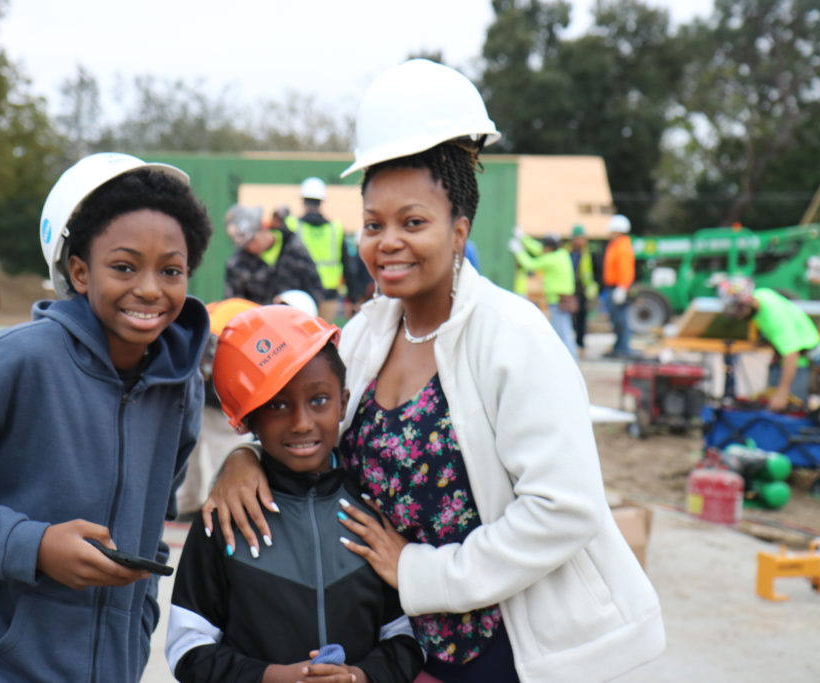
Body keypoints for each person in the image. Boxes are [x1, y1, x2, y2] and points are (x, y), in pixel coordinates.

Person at [203, 59, 664, 683]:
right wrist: (246, 458)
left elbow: (564, 509)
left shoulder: (512, 335)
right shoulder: (366, 333)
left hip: (506, 649)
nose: (386, 241)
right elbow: (309, 426)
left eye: (413, 222)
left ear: (459, 231)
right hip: (400, 647)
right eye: (373, 224)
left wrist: (422, 573)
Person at [0, 152, 213, 682]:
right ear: (78, 271)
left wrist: (134, 631)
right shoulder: (15, 362)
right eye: (123, 266)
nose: (150, 288)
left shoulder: (179, 387)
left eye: (171, 270)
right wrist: (33, 546)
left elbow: (151, 525)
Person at [167, 305, 423, 683]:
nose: (301, 423)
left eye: (318, 400)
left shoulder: (372, 511)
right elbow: (187, 647)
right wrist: (269, 677)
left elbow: (407, 637)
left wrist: (361, 677)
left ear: (343, 403)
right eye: (277, 405)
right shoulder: (222, 520)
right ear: (249, 418)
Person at [175, 297, 260, 518]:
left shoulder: (224, 310)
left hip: (198, 388)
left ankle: (188, 504)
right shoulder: (253, 318)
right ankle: (222, 506)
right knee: (225, 454)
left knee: (192, 451)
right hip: (218, 394)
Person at [718, 276, 820, 411]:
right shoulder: (762, 295)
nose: (739, 315)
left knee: (791, 410)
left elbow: (792, 354)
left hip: (803, 361)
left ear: (746, 303)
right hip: (788, 357)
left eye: (739, 310)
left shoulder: (774, 317)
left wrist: (782, 393)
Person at [224, 203, 325, 308]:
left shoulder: (293, 247)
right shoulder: (238, 264)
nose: (250, 247)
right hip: (257, 323)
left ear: (262, 227)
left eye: (252, 241)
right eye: (245, 245)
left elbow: (315, 286)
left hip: (296, 320)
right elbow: (233, 304)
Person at [285, 177, 348, 322]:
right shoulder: (335, 228)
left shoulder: (292, 225)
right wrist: (355, 296)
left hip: (301, 294)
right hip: (328, 293)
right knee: (323, 336)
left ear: (303, 201)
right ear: (322, 201)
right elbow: (347, 263)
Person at [509, 230, 578, 360]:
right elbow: (539, 249)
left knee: (563, 335)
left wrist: (519, 251)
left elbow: (530, 264)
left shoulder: (551, 259)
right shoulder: (561, 254)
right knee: (564, 333)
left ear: (549, 248)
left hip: (558, 301)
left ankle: (572, 363)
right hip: (562, 300)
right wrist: (525, 239)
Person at [602, 213, 636, 358]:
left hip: (618, 288)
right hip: (613, 287)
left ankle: (624, 348)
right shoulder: (615, 246)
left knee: (621, 320)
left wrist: (622, 287)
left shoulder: (622, 247)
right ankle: (619, 347)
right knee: (616, 320)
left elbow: (625, 269)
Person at [569, 224, 601, 358]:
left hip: (583, 291)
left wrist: (594, 288)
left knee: (582, 319)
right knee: (571, 320)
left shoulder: (589, 254)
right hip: (570, 290)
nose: (579, 241)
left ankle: (580, 344)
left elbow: (596, 272)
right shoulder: (568, 253)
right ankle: (571, 344)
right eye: (577, 238)